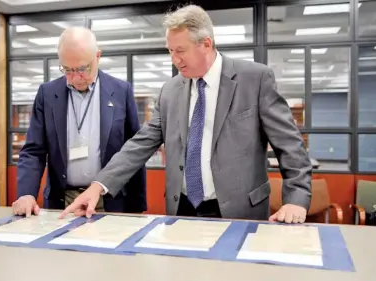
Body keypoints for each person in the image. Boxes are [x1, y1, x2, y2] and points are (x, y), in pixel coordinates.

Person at [60, 5, 312, 224]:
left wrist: (297, 199)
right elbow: (140, 144)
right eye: (170, 51)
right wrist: (99, 185)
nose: (174, 59)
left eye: (180, 50)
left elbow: (290, 146)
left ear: (206, 44)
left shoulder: (254, 79)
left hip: (239, 210)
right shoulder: (171, 90)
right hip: (182, 209)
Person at [12, 27, 146, 216]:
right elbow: (34, 150)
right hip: (62, 202)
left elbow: (134, 150)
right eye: (67, 70)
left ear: (97, 57)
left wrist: (136, 205)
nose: (75, 78)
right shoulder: (48, 94)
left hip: (109, 201)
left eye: (82, 69)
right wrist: (26, 194)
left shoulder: (121, 91)